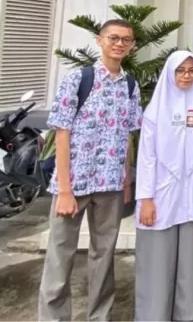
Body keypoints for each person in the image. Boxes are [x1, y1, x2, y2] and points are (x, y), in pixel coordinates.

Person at [38, 19, 143, 321]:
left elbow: (128, 137)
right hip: (74, 185)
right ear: (100, 41)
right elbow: (61, 133)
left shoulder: (130, 85)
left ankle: (99, 316)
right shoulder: (78, 80)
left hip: (110, 186)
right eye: (114, 38)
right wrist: (65, 190)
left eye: (126, 39)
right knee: (60, 256)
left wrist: (126, 182)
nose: (120, 44)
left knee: (103, 256)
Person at [134, 51, 193, 321]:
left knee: (190, 255)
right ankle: (153, 313)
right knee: (158, 256)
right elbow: (146, 157)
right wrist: (146, 197)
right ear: (170, 73)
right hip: (160, 191)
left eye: (192, 71)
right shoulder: (155, 109)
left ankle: (187, 312)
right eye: (180, 71)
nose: (186, 76)